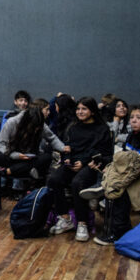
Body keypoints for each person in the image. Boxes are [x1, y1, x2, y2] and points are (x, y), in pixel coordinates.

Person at [92, 103, 140, 245]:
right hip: (131, 174)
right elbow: (124, 159)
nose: (133, 120)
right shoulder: (131, 135)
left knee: (120, 189)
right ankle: (114, 228)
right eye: (132, 117)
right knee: (111, 183)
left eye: (138, 117)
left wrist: (127, 176)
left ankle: (118, 232)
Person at [47, 97, 113, 242]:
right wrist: (67, 159)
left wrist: (83, 163)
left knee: (77, 183)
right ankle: (65, 218)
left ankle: (82, 223)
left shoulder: (102, 129)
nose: (80, 112)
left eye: (84, 109)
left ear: (92, 111)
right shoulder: (73, 127)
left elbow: (104, 153)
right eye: (78, 109)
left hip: (91, 165)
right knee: (54, 179)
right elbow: (68, 148)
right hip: (73, 164)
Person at [0, 102, 68, 179]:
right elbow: (0, 144)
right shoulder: (12, 123)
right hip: (12, 154)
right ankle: (26, 170)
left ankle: (7, 171)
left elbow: (52, 138)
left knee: (46, 157)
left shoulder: (40, 123)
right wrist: (14, 155)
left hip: (29, 156)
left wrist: (63, 148)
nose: (36, 130)